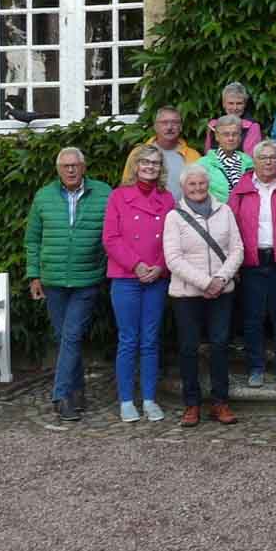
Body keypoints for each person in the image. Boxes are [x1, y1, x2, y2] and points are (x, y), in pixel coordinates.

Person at [24, 147, 111, 422]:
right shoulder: (44, 196)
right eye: (65, 166)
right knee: (65, 338)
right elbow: (33, 240)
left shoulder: (104, 193)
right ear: (58, 169)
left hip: (87, 278)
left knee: (71, 336)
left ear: (84, 167)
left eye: (75, 165)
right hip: (53, 280)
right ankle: (77, 390)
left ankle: (61, 396)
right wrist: (34, 275)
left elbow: (113, 232)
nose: (71, 170)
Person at [163, 164, 245, 427]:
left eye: (201, 184)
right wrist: (206, 283)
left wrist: (220, 279)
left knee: (220, 346)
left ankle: (220, 402)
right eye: (191, 185)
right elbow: (173, 259)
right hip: (187, 294)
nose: (197, 188)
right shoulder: (174, 217)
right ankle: (191, 404)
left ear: (207, 185)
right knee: (189, 348)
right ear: (183, 188)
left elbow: (237, 249)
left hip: (222, 291)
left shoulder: (225, 211)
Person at [103, 144, 175, 423]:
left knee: (150, 340)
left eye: (155, 163)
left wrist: (160, 266)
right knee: (128, 339)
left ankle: (148, 398)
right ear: (135, 165)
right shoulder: (119, 196)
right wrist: (136, 264)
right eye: (144, 162)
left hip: (156, 278)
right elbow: (111, 238)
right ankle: (125, 400)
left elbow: (173, 238)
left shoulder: (167, 199)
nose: (150, 167)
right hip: (126, 277)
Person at [227, 140, 276, 388]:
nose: (268, 162)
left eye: (273, 157)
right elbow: (231, 228)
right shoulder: (241, 190)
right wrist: (234, 264)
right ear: (254, 161)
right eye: (263, 157)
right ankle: (256, 368)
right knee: (252, 318)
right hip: (252, 261)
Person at [125, 106, 201, 195]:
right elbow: (127, 186)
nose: (169, 127)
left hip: (184, 209)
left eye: (175, 122)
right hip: (145, 208)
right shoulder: (138, 153)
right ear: (155, 127)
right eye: (164, 123)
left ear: (180, 127)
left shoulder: (194, 156)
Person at [198, 115, 255, 202]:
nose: (231, 138)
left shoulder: (249, 163)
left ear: (240, 137)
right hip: (216, 213)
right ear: (217, 136)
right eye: (226, 134)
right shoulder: (203, 164)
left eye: (235, 134)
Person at [203, 81, 262, 156]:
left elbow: (250, 159)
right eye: (231, 103)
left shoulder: (252, 126)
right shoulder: (213, 125)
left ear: (245, 104)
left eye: (239, 103)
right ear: (223, 104)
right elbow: (207, 154)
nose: (235, 108)